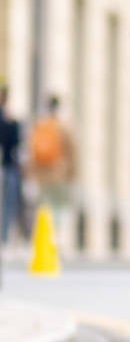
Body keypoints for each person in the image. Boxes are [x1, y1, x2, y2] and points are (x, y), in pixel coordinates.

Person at [28, 95, 75, 236]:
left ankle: (43, 234)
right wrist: (72, 174)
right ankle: (54, 234)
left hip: (41, 174)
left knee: (43, 206)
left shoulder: (40, 125)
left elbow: (32, 150)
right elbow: (72, 151)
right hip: (59, 173)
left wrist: (32, 172)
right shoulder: (63, 127)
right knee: (58, 206)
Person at [0, 88, 22, 246]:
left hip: (8, 165)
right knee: (8, 202)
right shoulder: (9, 120)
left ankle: (4, 235)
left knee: (9, 202)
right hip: (8, 166)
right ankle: (4, 236)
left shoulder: (10, 119)